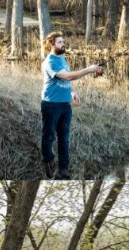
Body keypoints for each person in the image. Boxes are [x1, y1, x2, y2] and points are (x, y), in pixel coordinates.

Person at [40, 32, 104, 180]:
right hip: (51, 104)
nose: (63, 44)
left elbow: (67, 80)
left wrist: (73, 93)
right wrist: (89, 69)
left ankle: (63, 170)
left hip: (65, 105)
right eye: (60, 42)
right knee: (48, 136)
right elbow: (68, 76)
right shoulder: (50, 62)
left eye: (63, 41)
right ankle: (48, 161)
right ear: (51, 45)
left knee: (64, 138)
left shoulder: (62, 59)